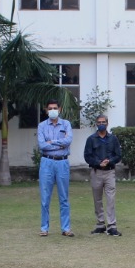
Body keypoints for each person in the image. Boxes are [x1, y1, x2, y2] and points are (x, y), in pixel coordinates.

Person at [37, 98, 74, 236]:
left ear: (60, 109)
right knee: (45, 197)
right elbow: (42, 145)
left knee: (64, 197)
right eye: (50, 108)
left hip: (62, 162)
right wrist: (60, 143)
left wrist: (51, 142)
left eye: (55, 108)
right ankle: (44, 228)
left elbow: (68, 141)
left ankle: (66, 228)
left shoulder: (66, 124)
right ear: (46, 110)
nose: (53, 110)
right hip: (47, 162)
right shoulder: (42, 126)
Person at [83, 114, 122, 236]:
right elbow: (87, 156)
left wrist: (109, 161)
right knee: (97, 199)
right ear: (96, 124)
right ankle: (100, 224)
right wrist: (98, 163)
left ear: (107, 123)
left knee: (110, 199)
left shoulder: (113, 139)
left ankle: (112, 226)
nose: (101, 124)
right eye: (99, 122)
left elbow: (118, 155)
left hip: (110, 172)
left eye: (103, 122)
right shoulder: (91, 139)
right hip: (96, 172)